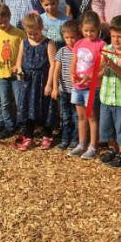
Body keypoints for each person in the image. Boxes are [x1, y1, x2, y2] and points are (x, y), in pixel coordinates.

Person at [0, 3, 26, 139]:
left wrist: (20, 66)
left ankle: (23, 125)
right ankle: (9, 127)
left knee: (20, 101)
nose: (2, 25)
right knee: (5, 102)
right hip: (2, 74)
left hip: (17, 74)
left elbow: (25, 52)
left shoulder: (19, 33)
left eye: (5, 22)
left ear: (10, 17)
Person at [14, 13, 56, 151]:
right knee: (26, 107)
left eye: (35, 33)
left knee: (44, 107)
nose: (33, 36)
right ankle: (28, 136)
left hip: (42, 80)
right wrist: (19, 69)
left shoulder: (48, 43)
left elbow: (53, 65)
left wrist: (49, 84)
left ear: (41, 28)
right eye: (29, 34)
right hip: (27, 81)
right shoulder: (24, 42)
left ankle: (47, 135)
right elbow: (19, 60)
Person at [98, 15, 121, 168]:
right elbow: (98, 73)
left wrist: (113, 66)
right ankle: (112, 148)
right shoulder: (106, 49)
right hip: (106, 97)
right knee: (106, 126)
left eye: (120, 37)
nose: (116, 40)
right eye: (113, 36)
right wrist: (101, 66)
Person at [69, 11, 106, 159]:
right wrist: (72, 75)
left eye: (92, 31)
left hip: (91, 87)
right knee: (81, 116)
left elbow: (103, 68)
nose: (89, 34)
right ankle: (81, 143)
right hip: (77, 87)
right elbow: (74, 62)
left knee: (92, 117)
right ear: (81, 29)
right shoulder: (78, 43)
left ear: (98, 29)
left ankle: (92, 146)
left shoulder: (101, 44)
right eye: (86, 31)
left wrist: (90, 77)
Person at [52, 20, 80, 150]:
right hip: (64, 90)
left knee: (76, 116)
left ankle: (75, 140)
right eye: (67, 38)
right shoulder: (62, 51)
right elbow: (56, 70)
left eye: (73, 37)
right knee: (65, 116)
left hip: (77, 90)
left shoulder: (81, 51)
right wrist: (54, 87)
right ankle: (64, 139)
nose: (70, 40)